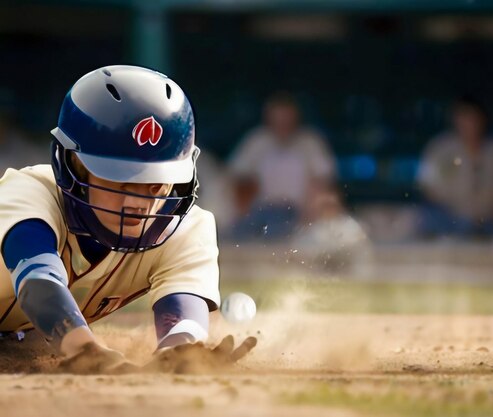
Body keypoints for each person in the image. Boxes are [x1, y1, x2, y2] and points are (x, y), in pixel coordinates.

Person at [0, 65, 254, 373]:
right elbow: (39, 282)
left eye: (155, 184)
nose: (138, 203)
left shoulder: (186, 230)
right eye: (119, 181)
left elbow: (183, 320)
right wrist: (85, 350)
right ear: (74, 165)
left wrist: (182, 353)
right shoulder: (29, 193)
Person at [228, 92, 336, 240]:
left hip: (298, 215)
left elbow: (323, 185)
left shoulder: (311, 143)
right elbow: (237, 179)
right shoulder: (256, 142)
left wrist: (310, 216)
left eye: (286, 120)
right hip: (261, 213)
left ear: (295, 119)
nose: (282, 125)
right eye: (277, 120)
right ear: (269, 119)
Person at [417, 96, 493, 238]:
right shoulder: (439, 148)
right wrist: (460, 215)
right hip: (449, 222)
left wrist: (479, 217)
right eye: (464, 117)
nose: (469, 123)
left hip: (489, 224)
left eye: (473, 117)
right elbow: (428, 188)